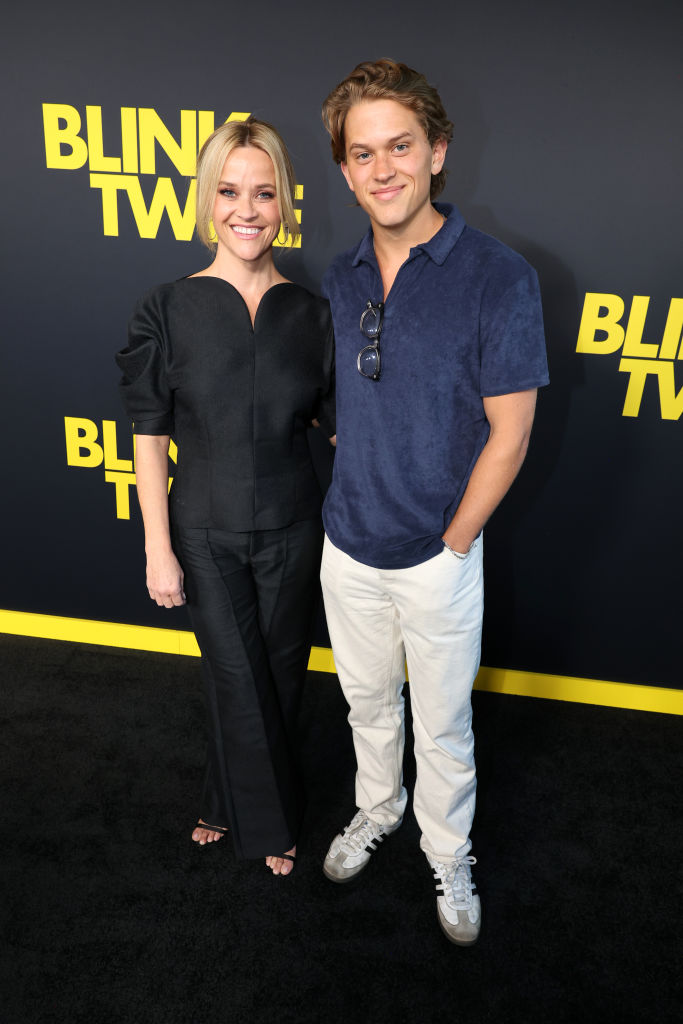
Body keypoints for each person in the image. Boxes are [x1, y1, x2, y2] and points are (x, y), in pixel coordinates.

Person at [318, 59, 548, 942]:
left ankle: (446, 850)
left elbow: (510, 435)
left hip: (436, 559)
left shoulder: (498, 276)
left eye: (400, 147)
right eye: (363, 152)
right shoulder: (339, 278)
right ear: (344, 168)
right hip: (348, 546)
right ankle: (377, 809)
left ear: (437, 151)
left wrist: (452, 543)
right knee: (366, 707)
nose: (383, 169)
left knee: (443, 727)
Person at [116, 117, 335, 877]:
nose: (248, 209)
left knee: (276, 672)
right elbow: (148, 433)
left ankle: (220, 797)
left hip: (294, 524)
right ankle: (274, 823)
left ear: (284, 203)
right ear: (208, 201)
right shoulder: (167, 309)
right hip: (202, 529)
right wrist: (157, 547)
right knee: (232, 673)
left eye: (264, 192)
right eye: (230, 192)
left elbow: (339, 425)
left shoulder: (312, 314)